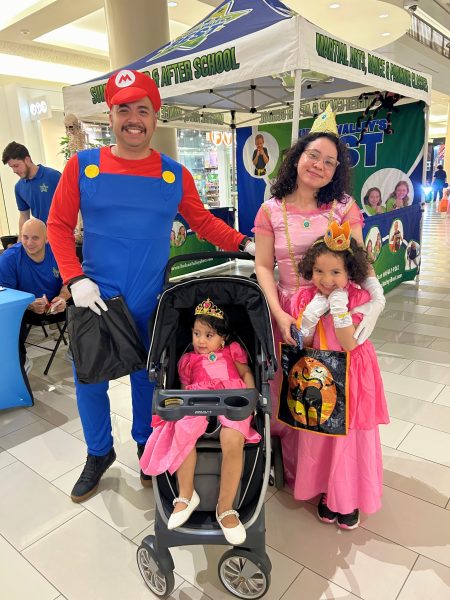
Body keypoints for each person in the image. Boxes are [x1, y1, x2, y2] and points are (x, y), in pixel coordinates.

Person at [46, 69, 255, 504]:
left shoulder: (173, 174)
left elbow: (203, 221)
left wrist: (244, 243)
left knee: (149, 376)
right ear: (111, 116)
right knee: (90, 381)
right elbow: (58, 225)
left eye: (143, 110)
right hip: (96, 299)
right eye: (124, 110)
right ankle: (99, 452)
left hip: (150, 300)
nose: (133, 119)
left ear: (155, 118)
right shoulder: (82, 166)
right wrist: (74, 278)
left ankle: (146, 443)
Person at [254, 105, 385, 490]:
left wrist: (375, 296)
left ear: (336, 170)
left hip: (334, 314)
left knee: (336, 394)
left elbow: (358, 261)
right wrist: (278, 313)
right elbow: (263, 266)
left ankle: (340, 488)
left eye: (330, 161)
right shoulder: (270, 210)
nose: (319, 166)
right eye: (313, 155)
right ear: (297, 156)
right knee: (298, 392)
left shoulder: (344, 206)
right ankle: (302, 476)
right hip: (290, 317)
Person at [289, 222, 389, 529]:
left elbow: (348, 343)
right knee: (323, 435)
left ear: (350, 273)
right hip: (321, 375)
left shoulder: (357, 298)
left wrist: (338, 308)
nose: (326, 279)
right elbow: (302, 342)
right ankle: (326, 489)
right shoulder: (307, 298)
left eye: (335, 272)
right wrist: (308, 318)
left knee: (349, 437)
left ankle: (347, 498)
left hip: (353, 372)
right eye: (319, 271)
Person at [139, 299, 260, 544]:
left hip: (231, 398)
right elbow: (184, 388)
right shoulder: (188, 360)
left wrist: (251, 398)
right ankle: (186, 495)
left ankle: (225, 508)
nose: (201, 341)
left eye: (209, 335)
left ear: (223, 338)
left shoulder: (232, 351)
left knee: (232, 438)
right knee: (183, 430)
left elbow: (246, 372)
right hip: (197, 399)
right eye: (196, 334)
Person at [0, 218, 70, 371]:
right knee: (7, 314)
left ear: (46, 239)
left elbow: (69, 282)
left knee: (85, 298)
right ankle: (20, 360)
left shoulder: (57, 252)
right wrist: (28, 304)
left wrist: (62, 298)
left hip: (56, 304)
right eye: (25, 237)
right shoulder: (9, 258)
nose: (29, 242)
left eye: (35, 238)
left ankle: (79, 350)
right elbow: (6, 296)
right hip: (24, 308)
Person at [2, 141, 61, 233]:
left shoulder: (54, 176)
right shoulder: (19, 187)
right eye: (11, 167)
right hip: (40, 235)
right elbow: (24, 216)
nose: (14, 171)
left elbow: (72, 203)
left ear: (27, 160)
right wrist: (20, 240)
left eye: (16, 166)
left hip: (61, 233)